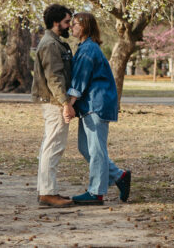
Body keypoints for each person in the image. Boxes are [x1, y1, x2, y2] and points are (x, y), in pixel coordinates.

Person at [65, 11, 132, 205]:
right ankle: (119, 176)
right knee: (86, 148)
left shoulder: (89, 50)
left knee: (96, 149)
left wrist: (68, 105)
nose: (71, 27)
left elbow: (79, 82)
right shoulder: (85, 48)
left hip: (96, 104)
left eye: (75, 24)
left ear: (84, 26)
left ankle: (96, 192)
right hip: (89, 106)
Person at [31, 3, 75, 208]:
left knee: (50, 145)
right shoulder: (50, 44)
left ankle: (46, 190)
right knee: (54, 146)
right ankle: (48, 193)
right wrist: (66, 103)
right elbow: (54, 77)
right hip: (54, 102)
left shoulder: (54, 42)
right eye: (67, 22)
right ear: (56, 23)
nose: (70, 25)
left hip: (54, 101)